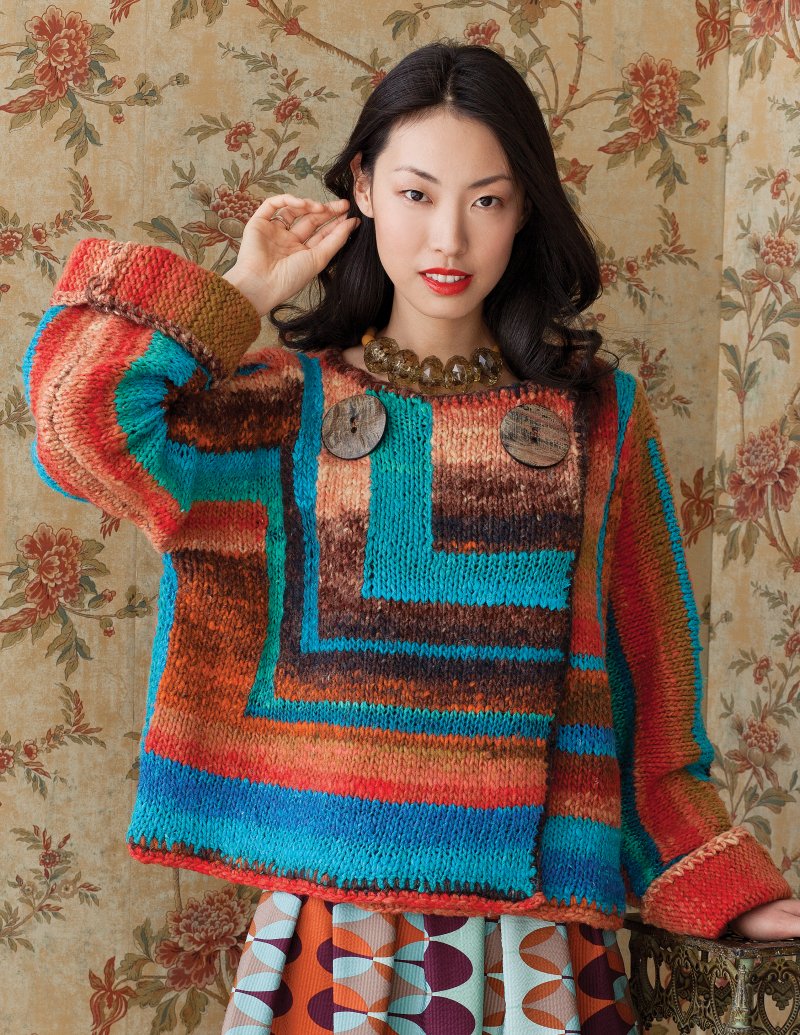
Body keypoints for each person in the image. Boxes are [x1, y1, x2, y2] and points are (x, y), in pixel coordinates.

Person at [22, 38, 800, 1035]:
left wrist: (722, 889)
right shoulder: (277, 410)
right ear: (362, 185)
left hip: (539, 941)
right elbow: (80, 423)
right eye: (417, 193)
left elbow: (648, 693)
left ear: (525, 211)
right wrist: (244, 290)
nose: (450, 236)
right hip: (334, 931)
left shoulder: (599, 416)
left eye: (488, 200)